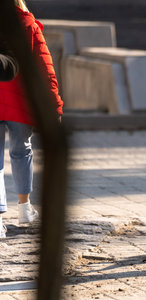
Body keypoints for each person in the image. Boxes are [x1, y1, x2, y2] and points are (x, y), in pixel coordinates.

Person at [0, 0, 64, 238]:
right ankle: (24, 208)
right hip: (20, 104)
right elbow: (45, 68)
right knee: (21, 151)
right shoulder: (27, 24)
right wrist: (54, 105)